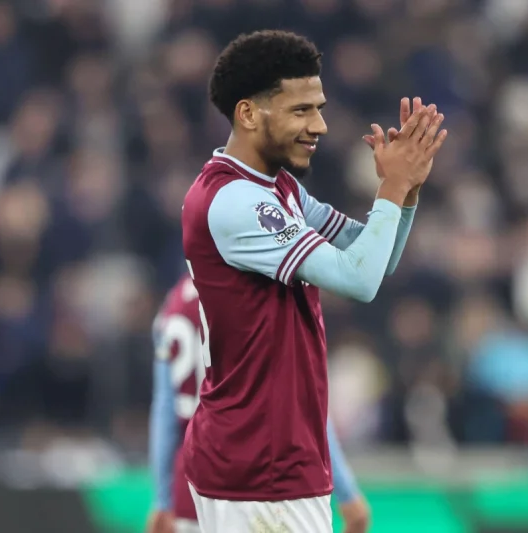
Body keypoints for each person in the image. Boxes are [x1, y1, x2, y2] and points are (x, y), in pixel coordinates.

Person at [181, 29, 446, 532]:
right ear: (249, 113)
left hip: (265, 458)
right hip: (262, 470)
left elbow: (375, 257)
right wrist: (389, 185)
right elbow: (358, 281)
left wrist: (405, 191)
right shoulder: (239, 202)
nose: (320, 125)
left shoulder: (277, 188)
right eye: (302, 110)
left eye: (319, 107)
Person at [147, 274, 370, 533]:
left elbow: (165, 410)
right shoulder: (258, 296)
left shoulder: (171, 308)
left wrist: (162, 499)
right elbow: (303, 407)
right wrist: (346, 490)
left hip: (191, 489)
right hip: (260, 481)